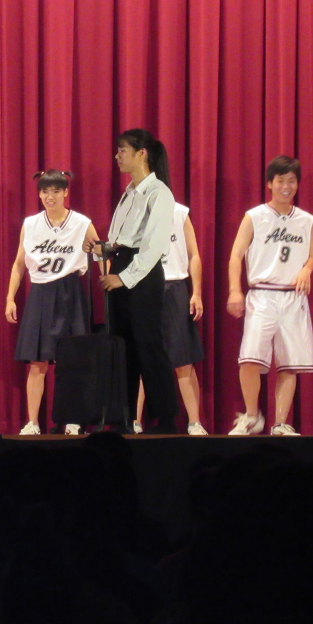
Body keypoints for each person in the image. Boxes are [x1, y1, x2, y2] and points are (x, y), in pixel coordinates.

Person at [83, 129, 179, 433]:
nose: (117, 156)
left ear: (142, 154)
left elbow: (153, 246)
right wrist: (102, 249)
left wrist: (124, 278)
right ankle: (123, 417)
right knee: (122, 348)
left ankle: (165, 418)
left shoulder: (159, 192)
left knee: (149, 345)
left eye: (123, 150)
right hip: (123, 266)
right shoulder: (129, 193)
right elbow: (121, 241)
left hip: (143, 275)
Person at [226, 155, 313, 436]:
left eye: (292, 181)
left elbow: (312, 257)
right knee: (249, 358)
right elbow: (236, 255)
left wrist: (306, 270)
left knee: (288, 364)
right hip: (262, 294)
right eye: (281, 181)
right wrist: (235, 290)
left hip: (293, 296)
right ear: (269, 183)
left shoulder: (305, 220)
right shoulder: (255, 216)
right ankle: (252, 415)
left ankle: (280, 422)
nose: (286, 186)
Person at [5, 170, 100, 435]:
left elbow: (101, 255)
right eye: (46, 191)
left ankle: (73, 419)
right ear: (39, 194)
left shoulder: (82, 223)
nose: (51, 196)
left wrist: (108, 279)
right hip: (40, 292)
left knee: (73, 361)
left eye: (56, 191)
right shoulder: (31, 224)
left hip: (71, 291)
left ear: (66, 193)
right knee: (38, 363)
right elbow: (19, 264)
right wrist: (10, 298)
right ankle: (32, 422)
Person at [134, 200, 207, 435]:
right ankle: (134, 422)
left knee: (183, 360)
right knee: (142, 359)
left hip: (175, 286)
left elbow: (194, 254)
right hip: (144, 288)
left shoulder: (179, 212)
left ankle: (194, 422)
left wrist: (196, 293)